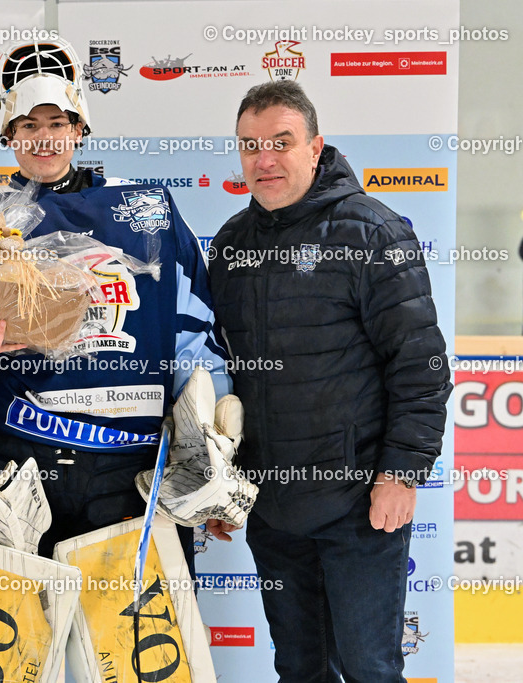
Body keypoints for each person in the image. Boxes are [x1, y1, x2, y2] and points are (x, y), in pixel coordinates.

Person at [0, 38, 228, 567]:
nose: (43, 139)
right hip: (6, 466)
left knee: (136, 650)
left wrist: (211, 463)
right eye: (28, 126)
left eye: (57, 124)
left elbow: (193, 334)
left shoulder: (146, 208)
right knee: (1, 647)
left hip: (125, 477)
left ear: (80, 128)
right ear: (8, 134)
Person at [206, 80, 452, 682]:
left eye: (281, 142)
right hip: (272, 508)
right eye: (249, 145)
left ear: (316, 147)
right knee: (299, 668)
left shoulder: (373, 233)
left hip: (359, 507)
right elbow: (220, 377)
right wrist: (220, 483)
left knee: (368, 668)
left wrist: (401, 474)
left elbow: (421, 364)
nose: (264, 159)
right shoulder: (232, 245)